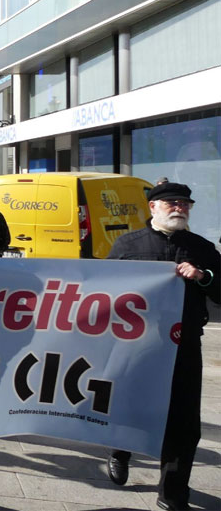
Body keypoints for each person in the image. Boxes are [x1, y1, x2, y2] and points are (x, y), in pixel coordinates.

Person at [104, 182, 219, 511]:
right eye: (171, 202)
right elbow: (106, 291)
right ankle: (119, 449)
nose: (179, 207)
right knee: (128, 404)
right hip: (137, 344)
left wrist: (204, 276)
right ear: (153, 208)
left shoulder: (202, 248)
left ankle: (172, 495)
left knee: (183, 421)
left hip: (183, 347)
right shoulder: (127, 245)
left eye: (185, 203)